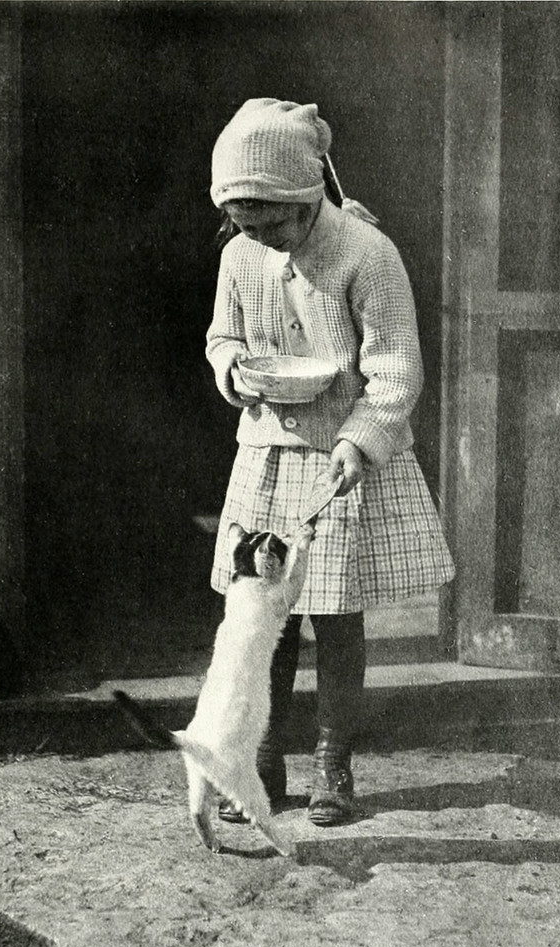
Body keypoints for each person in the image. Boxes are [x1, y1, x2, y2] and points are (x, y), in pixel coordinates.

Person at [205, 98, 455, 826]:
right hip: (267, 455)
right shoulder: (239, 255)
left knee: (336, 618)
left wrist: (359, 440)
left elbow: (397, 368)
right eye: (243, 226)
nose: (258, 239)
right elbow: (222, 337)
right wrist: (234, 369)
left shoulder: (366, 254)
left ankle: (332, 760)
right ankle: (262, 755)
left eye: (270, 224)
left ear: (305, 195)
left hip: (340, 454)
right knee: (265, 616)